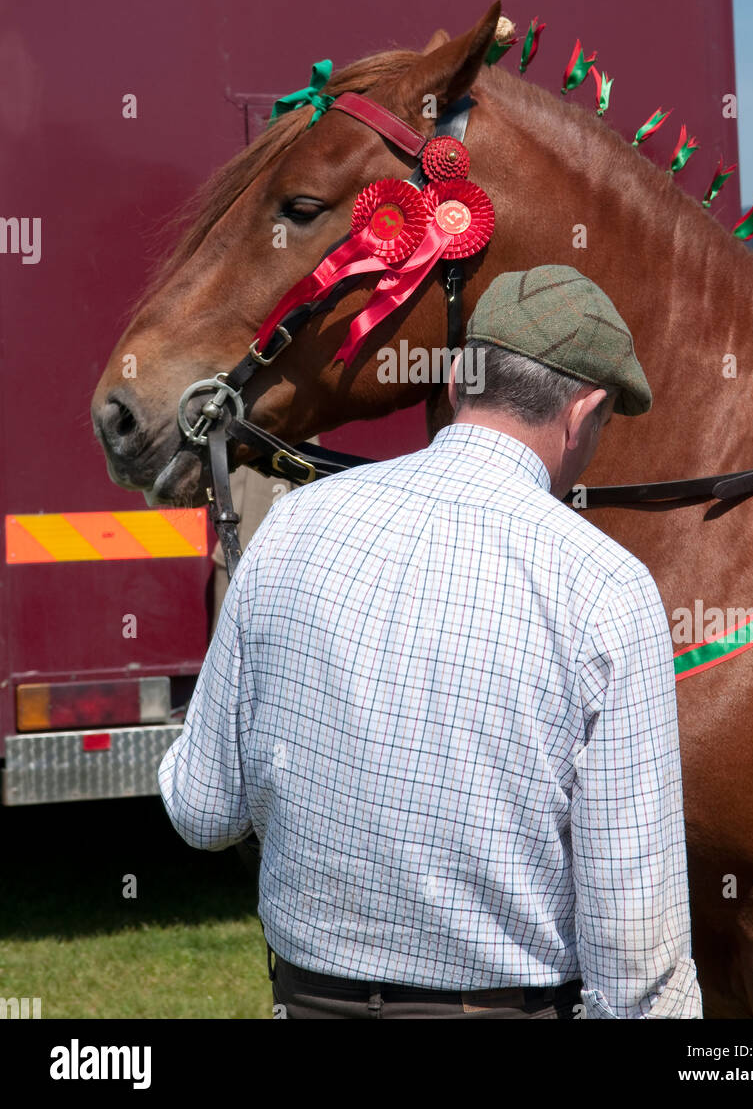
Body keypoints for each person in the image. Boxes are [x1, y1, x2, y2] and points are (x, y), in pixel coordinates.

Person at [158, 264, 702, 1020]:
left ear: (455, 382)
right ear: (583, 412)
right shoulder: (607, 588)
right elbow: (636, 955)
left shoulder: (290, 523)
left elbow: (202, 810)